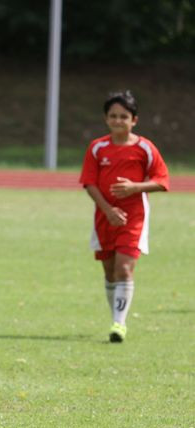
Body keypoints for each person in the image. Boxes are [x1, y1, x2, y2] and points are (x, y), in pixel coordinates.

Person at [79, 90, 170, 342]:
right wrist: (108, 210)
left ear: (134, 120)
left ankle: (119, 324)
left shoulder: (145, 148)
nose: (118, 121)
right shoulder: (97, 148)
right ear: (106, 118)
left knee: (124, 268)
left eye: (123, 116)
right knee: (110, 272)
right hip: (104, 217)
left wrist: (135, 187)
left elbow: (162, 181)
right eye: (113, 116)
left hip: (133, 218)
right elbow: (89, 182)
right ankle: (115, 317)